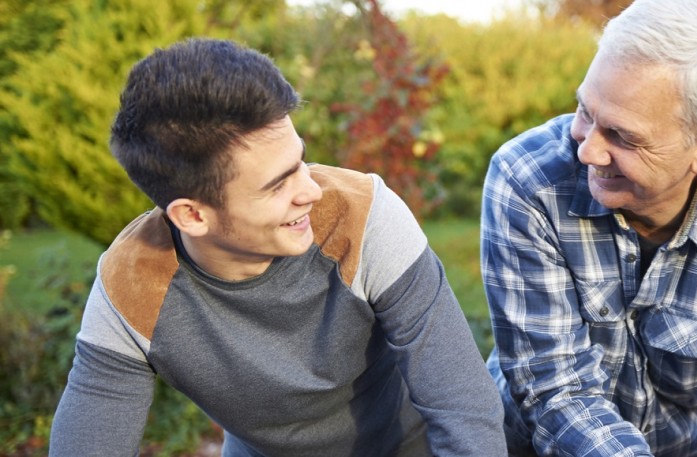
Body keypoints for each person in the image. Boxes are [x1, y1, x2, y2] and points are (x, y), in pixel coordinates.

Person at [50, 38, 505, 456]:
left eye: (300, 161)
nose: (310, 190)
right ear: (192, 215)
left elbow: (462, 407)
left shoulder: (365, 218)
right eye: (277, 184)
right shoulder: (133, 282)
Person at [481, 0, 697, 455]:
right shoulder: (527, 181)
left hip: (692, 447)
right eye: (585, 111)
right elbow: (556, 390)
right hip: (534, 440)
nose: (588, 152)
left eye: (622, 136)